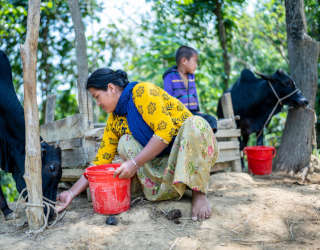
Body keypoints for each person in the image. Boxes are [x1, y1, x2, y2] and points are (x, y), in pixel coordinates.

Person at [57, 68, 219, 221]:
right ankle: (164, 190)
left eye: (97, 97)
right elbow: (99, 162)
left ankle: (199, 193)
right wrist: (71, 193)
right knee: (125, 143)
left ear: (111, 88)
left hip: (188, 152)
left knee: (195, 123)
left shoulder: (143, 92)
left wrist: (134, 163)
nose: (97, 103)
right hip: (166, 163)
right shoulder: (114, 121)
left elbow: (165, 132)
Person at [163, 45, 217, 133]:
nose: (196, 65)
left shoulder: (191, 76)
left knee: (211, 120)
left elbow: (194, 94)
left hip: (192, 113)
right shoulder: (169, 76)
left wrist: (198, 110)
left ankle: (205, 139)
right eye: (195, 61)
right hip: (178, 114)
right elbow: (167, 98)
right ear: (184, 61)